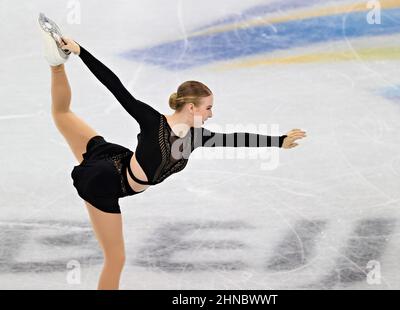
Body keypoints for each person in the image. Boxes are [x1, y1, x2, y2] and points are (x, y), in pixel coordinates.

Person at [38, 13, 307, 289]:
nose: (212, 113)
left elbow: (237, 139)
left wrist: (279, 141)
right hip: (105, 183)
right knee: (116, 259)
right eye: (208, 107)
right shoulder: (152, 122)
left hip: (114, 158)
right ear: (191, 107)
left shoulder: (197, 137)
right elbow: (115, 86)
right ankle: (58, 63)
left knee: (62, 114)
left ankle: (54, 63)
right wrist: (81, 52)